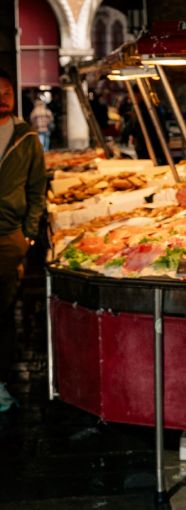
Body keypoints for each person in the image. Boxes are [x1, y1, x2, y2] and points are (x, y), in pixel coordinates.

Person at [0, 69, 46, 406]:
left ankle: (1, 384)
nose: (2, 98)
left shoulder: (26, 137)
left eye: (7, 92)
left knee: (3, 311)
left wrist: (28, 233)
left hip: (8, 236)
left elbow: (36, 188)